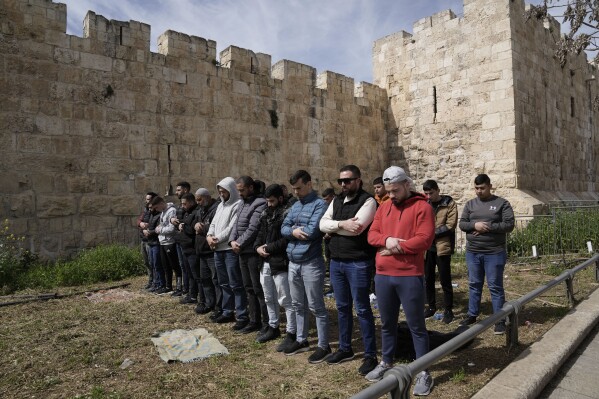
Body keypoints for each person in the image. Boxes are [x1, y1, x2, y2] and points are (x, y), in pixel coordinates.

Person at [366, 166, 435, 396]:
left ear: (407, 184)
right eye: (389, 191)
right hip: (384, 275)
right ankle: (386, 361)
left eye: (395, 190)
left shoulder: (422, 207)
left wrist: (397, 248)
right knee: (387, 323)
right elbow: (372, 235)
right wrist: (389, 239)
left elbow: (424, 240)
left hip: (409, 275)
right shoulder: (384, 206)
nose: (392, 195)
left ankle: (424, 370)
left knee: (417, 326)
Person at [319, 165, 378, 376]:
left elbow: (358, 228)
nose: (344, 184)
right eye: (341, 181)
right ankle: (345, 348)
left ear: (358, 180)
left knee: (362, 309)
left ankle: (371, 355)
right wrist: (342, 224)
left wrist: (333, 227)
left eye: (348, 180)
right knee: (342, 307)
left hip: (358, 262)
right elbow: (321, 225)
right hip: (337, 262)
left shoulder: (369, 201)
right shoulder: (336, 200)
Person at [281, 170, 330, 364]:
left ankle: (323, 345)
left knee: (316, 305)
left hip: (311, 262)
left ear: (309, 184)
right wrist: (294, 231)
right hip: (294, 261)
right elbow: (283, 227)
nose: (296, 192)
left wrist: (293, 230)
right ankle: (302, 339)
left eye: (299, 188)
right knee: (297, 304)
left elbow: (311, 231)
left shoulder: (320, 205)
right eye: (293, 189)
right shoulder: (295, 205)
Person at [458, 174, 515, 335]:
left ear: (490, 186)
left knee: (495, 286)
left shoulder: (502, 203)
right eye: (476, 188)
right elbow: (462, 224)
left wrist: (487, 226)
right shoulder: (470, 204)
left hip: (494, 253)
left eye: (482, 188)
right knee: (474, 284)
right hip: (473, 252)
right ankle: (472, 314)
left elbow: (509, 225)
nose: (479, 191)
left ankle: (500, 319)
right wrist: (474, 225)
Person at [254, 184, 296, 347]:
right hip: (265, 260)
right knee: (268, 296)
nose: (269, 204)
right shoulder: (265, 213)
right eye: (267, 201)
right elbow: (260, 233)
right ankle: (273, 326)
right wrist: (258, 247)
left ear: (280, 198)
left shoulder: (288, 214)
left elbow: (286, 239)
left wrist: (268, 248)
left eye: (272, 201)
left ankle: (291, 332)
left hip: (280, 261)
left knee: (285, 298)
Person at [229, 176, 267, 334]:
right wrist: (232, 240)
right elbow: (236, 224)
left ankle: (265, 322)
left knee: (258, 288)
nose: (240, 193)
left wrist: (240, 243)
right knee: (248, 287)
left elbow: (253, 228)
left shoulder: (260, 203)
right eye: (238, 190)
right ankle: (253, 320)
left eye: (242, 190)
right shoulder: (241, 203)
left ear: (251, 188)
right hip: (241, 251)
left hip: (251, 251)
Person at [207, 177, 247, 328]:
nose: (221, 194)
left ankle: (242, 314)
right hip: (218, 249)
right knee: (223, 282)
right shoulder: (220, 206)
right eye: (220, 191)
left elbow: (232, 227)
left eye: (224, 191)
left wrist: (216, 239)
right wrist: (209, 236)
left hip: (229, 249)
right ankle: (227, 311)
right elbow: (213, 223)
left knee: (235, 283)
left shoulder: (237, 205)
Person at [422, 180, 458, 324]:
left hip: (442, 247)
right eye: (426, 193)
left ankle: (448, 309)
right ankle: (431, 307)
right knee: (428, 279)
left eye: (431, 193)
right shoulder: (425, 204)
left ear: (438, 190)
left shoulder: (449, 203)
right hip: (427, 248)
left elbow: (450, 225)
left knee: (445, 280)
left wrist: (429, 234)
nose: (429, 196)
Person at [193, 188, 220, 317]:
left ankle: (218, 306)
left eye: (199, 199)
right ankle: (209, 303)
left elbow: (216, 227)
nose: (198, 202)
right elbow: (195, 223)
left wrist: (202, 228)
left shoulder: (216, 209)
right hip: (201, 251)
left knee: (216, 280)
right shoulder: (200, 210)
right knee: (205, 280)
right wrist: (196, 225)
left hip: (211, 251)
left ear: (207, 197)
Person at [151, 196, 179, 294]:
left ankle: (179, 287)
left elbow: (172, 229)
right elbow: (162, 224)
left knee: (174, 265)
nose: (156, 210)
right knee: (165, 266)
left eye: (156, 207)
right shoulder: (163, 212)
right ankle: (168, 286)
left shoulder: (171, 211)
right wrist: (159, 229)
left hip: (169, 242)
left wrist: (160, 230)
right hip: (162, 241)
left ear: (161, 203)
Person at [176, 193, 199, 305]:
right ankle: (192, 294)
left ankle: (197, 296)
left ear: (191, 202)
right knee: (189, 274)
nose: (183, 206)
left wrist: (183, 226)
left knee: (195, 275)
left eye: (184, 203)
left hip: (192, 249)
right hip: (185, 247)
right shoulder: (186, 213)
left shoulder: (196, 212)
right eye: (182, 204)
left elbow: (192, 230)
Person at [171, 181, 191, 297]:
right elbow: (177, 219)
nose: (176, 192)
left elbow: (188, 220)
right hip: (178, 239)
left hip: (186, 240)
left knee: (186, 266)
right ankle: (184, 288)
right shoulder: (179, 205)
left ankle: (188, 289)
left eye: (178, 190)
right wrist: (171, 220)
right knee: (182, 265)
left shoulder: (189, 204)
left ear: (185, 190)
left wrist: (180, 223)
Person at [137, 191, 158, 289]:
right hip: (143, 239)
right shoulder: (145, 210)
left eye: (148, 199)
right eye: (146, 199)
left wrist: (148, 226)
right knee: (146, 262)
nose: (146, 201)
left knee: (152, 262)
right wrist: (140, 224)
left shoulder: (156, 211)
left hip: (151, 240)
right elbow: (139, 220)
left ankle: (155, 281)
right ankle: (150, 280)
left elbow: (155, 223)